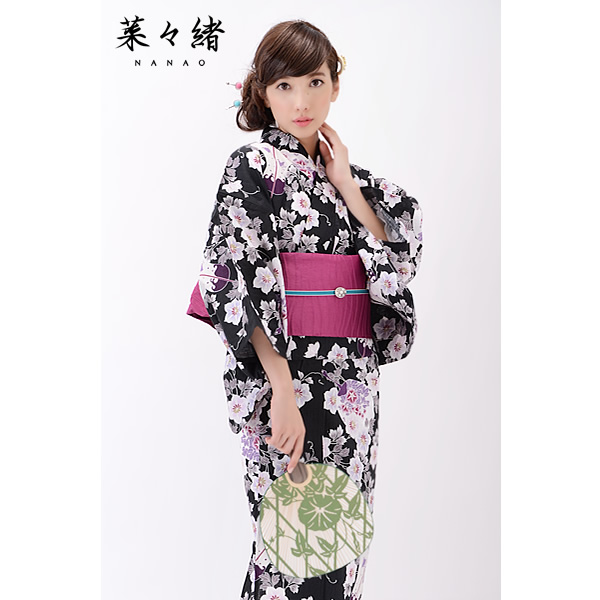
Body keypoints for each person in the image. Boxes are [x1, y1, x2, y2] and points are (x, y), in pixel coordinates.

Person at [187, 19, 423, 600]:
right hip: (282, 377)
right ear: (263, 92)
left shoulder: (353, 180)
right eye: (285, 86)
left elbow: (398, 261)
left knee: (340, 554)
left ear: (335, 84)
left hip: (350, 384)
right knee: (292, 552)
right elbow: (234, 278)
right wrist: (283, 393)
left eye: (315, 82)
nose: (302, 102)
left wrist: (346, 187)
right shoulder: (251, 168)